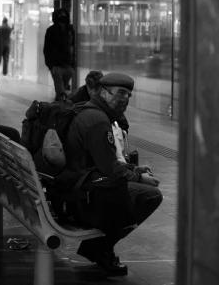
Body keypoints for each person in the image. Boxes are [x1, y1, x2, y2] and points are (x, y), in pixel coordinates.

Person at [63, 72, 162, 275]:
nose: (125, 99)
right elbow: (111, 170)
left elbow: (104, 161)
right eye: (120, 93)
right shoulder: (98, 121)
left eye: (128, 95)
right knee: (151, 195)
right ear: (103, 92)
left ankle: (98, 247)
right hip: (82, 192)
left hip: (74, 181)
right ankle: (99, 249)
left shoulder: (88, 111)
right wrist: (139, 177)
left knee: (130, 187)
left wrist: (133, 170)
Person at [43, 8, 75, 101]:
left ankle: (58, 108)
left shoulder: (70, 30)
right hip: (56, 66)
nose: (62, 18)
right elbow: (47, 49)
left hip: (68, 66)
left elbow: (74, 46)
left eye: (64, 15)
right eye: (60, 15)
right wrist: (51, 65)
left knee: (61, 90)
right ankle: (60, 108)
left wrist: (73, 64)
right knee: (61, 91)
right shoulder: (51, 31)